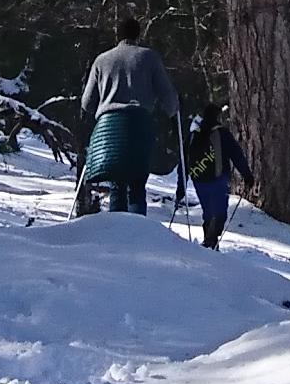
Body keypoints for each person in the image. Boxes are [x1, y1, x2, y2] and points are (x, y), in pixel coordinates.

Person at [73, 14, 180, 217]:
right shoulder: (149, 57)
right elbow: (169, 98)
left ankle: (116, 233)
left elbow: (87, 103)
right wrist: (173, 109)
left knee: (117, 185)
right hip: (139, 125)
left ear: (118, 35)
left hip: (109, 128)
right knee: (137, 185)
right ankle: (136, 234)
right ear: (138, 34)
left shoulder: (102, 60)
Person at [180, 106, 254, 250]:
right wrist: (247, 175)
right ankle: (211, 242)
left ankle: (209, 243)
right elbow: (236, 155)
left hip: (199, 179)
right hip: (218, 179)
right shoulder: (222, 134)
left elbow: (183, 162)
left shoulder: (193, 135)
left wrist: (180, 187)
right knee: (219, 213)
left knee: (208, 212)